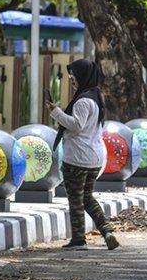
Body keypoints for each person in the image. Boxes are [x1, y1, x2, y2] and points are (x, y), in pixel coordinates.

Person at [45, 59, 119, 251]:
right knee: (87, 197)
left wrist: (56, 112)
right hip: (94, 158)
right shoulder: (95, 97)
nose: (72, 79)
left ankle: (78, 239)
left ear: (84, 76)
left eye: (74, 75)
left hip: (77, 158)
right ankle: (107, 230)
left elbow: (77, 125)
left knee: (76, 200)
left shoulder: (83, 101)